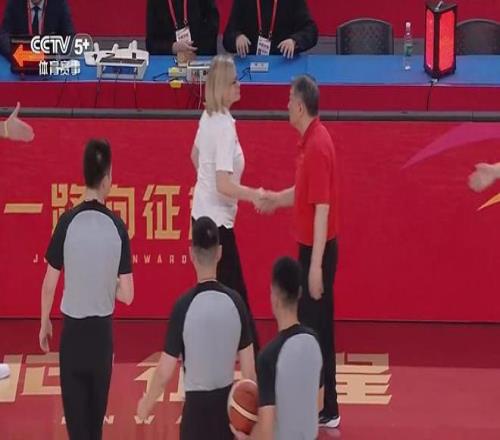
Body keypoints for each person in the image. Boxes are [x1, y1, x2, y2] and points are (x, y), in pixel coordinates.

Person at [256, 75, 340, 428]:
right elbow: (304, 192)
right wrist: (276, 200)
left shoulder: (318, 146)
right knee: (317, 328)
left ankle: (322, 407)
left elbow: (322, 208)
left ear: (301, 106)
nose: (286, 105)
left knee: (314, 332)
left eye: (290, 99)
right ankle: (327, 406)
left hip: (317, 252)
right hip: (310, 248)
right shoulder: (309, 141)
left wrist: (316, 267)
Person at [39, 139, 134, 440]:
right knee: (94, 430)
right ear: (107, 177)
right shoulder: (117, 227)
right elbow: (128, 295)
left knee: (77, 430)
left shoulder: (67, 222)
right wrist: (106, 281)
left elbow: (49, 284)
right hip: (101, 339)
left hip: (73, 338)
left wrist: (44, 322)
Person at [137, 216, 256, 440]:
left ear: (191, 254)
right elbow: (249, 373)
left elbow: (164, 372)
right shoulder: (236, 303)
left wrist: (146, 404)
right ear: (220, 252)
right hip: (227, 420)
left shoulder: (183, 307)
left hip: (195, 420)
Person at [190, 54, 263, 352]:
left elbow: (194, 156)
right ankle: (256, 367)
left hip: (201, 216)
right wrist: (254, 194)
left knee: (214, 296)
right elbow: (223, 183)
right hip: (217, 225)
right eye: (234, 82)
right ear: (222, 87)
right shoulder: (223, 127)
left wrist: (204, 187)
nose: (239, 85)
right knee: (237, 301)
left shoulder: (209, 117)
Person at [232, 256, 324, 440]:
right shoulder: (314, 342)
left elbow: (266, 431)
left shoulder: (268, 356)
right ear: (300, 293)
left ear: (274, 295)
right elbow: (319, 403)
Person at [223, 0, 318, 58]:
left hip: (285, 60)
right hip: (250, 62)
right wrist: (237, 37)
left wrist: (294, 41)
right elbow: (228, 35)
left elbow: (311, 30)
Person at [0, 0, 75, 59]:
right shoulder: (15, 3)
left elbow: (70, 37)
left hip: (49, 62)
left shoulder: (59, 3)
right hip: (22, 60)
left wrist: (53, 55)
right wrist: (15, 53)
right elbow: (3, 35)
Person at [146, 0, 219, 56]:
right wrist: (172, 48)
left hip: (200, 57)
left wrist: (191, 47)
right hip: (169, 59)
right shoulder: (155, 2)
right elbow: (151, 44)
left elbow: (212, 31)